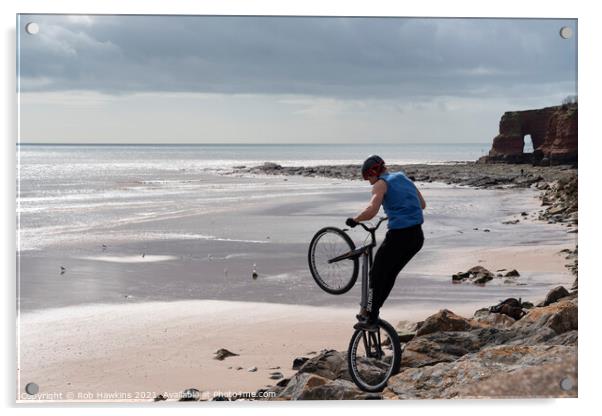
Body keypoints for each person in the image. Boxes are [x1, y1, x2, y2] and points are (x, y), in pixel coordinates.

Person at [346, 155, 426, 330]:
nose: (369, 182)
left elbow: (371, 210)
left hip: (399, 237)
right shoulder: (403, 177)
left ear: (373, 172)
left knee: (376, 274)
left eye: (368, 178)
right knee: (388, 275)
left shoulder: (380, 184)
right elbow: (421, 204)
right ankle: (373, 313)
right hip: (417, 237)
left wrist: (355, 219)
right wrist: (396, 210)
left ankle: (371, 318)